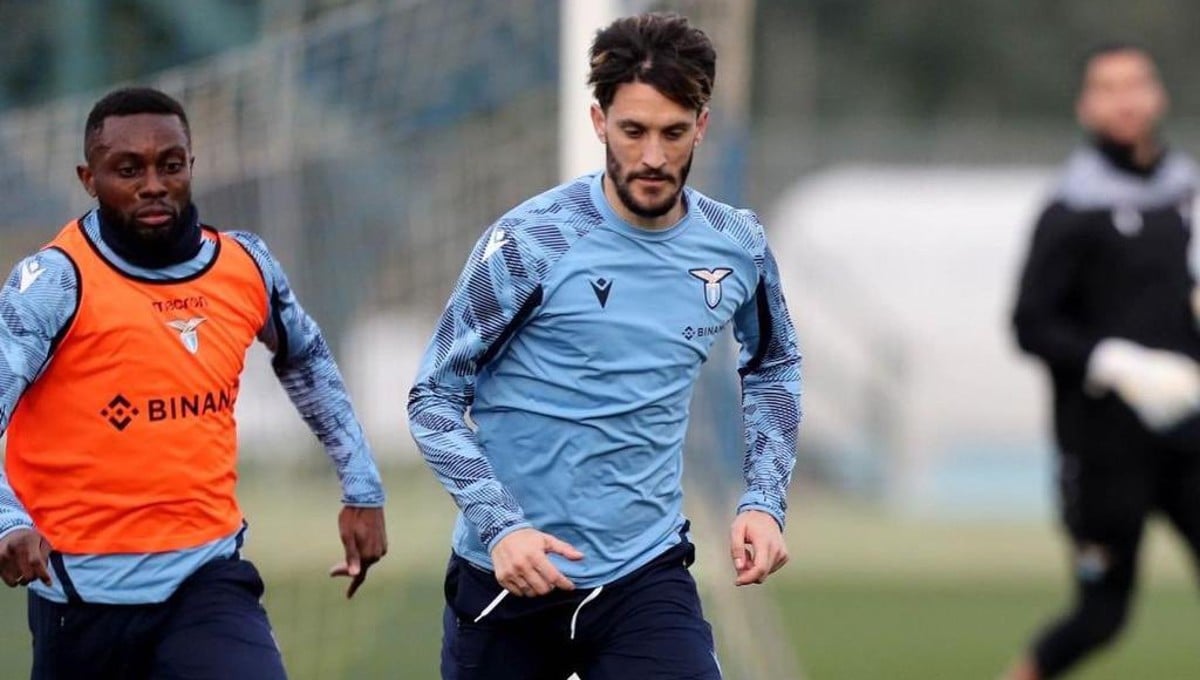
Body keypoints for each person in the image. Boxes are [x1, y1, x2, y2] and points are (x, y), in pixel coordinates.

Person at [408, 12, 801, 680]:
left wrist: (764, 500)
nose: (653, 157)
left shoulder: (737, 246)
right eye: (633, 131)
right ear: (599, 123)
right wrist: (501, 525)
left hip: (643, 576)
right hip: (508, 579)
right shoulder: (530, 241)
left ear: (702, 127)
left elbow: (773, 364)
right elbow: (433, 397)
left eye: (673, 132)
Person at [0, 87, 388, 679]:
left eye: (171, 165)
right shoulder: (54, 283)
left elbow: (306, 358)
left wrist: (361, 485)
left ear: (191, 166)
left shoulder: (244, 265)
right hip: (79, 595)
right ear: (88, 178)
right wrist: (8, 520)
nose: (153, 185)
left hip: (206, 580)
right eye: (128, 170)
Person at [1007, 44, 1200, 679]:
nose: (1125, 100)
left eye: (1135, 84)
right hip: (1103, 448)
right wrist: (1114, 362)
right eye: (1107, 88)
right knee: (1101, 616)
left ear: (1158, 95)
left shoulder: (1186, 198)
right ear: (1086, 106)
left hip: (1188, 437)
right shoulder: (1072, 208)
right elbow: (1030, 324)